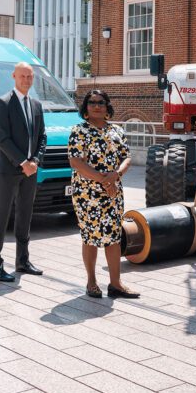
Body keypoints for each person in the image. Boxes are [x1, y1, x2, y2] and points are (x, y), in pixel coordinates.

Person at [68, 89, 138, 299]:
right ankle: (91, 282)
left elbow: (127, 158)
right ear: (85, 108)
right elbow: (76, 161)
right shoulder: (79, 131)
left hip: (113, 191)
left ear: (107, 106)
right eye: (92, 102)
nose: (97, 106)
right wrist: (104, 180)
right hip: (87, 193)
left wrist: (114, 176)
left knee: (113, 236)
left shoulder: (117, 130)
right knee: (90, 236)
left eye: (101, 102)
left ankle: (115, 284)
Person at [0, 62, 46, 282]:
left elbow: (42, 137)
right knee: (1, 215)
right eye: (22, 76)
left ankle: (22, 261)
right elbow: (3, 139)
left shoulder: (37, 105)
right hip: (8, 170)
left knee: (25, 214)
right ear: (13, 76)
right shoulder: (2, 103)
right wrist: (23, 162)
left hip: (30, 170)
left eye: (30, 76)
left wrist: (35, 160)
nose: (26, 80)